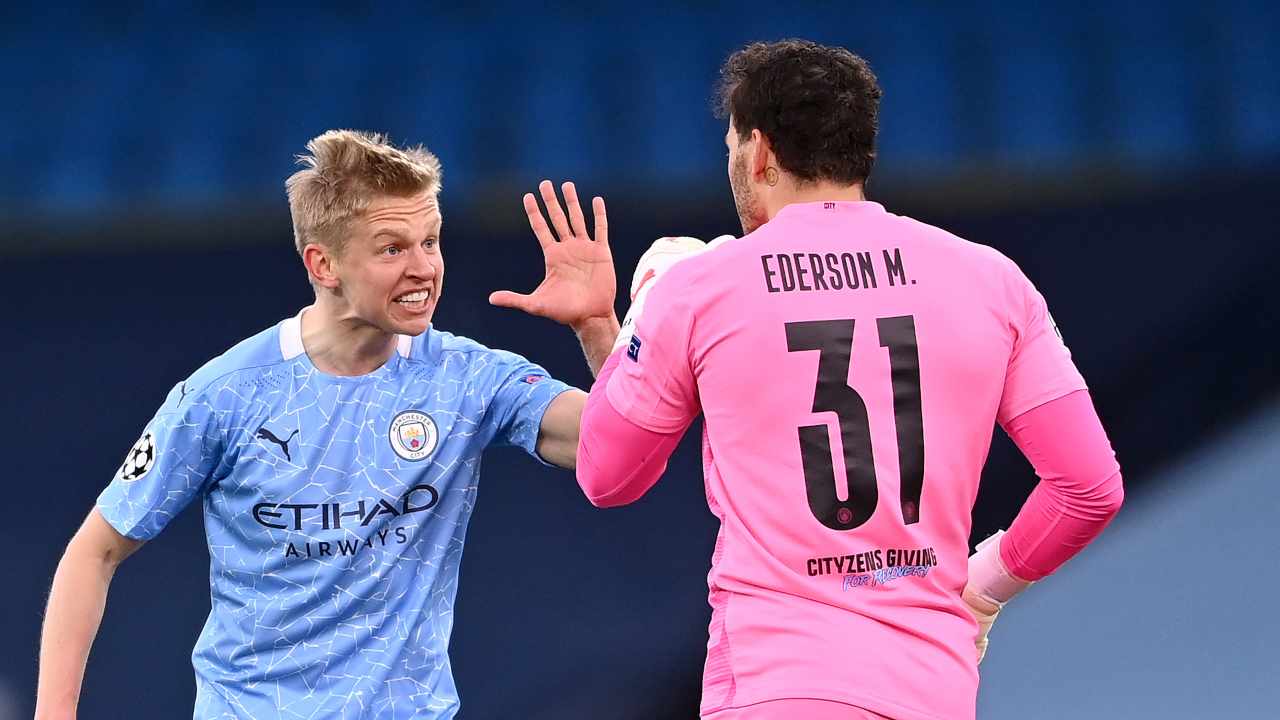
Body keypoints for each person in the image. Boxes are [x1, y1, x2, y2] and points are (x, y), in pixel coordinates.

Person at [521, 40, 1125, 719]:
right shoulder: (992, 281)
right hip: (933, 690)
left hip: (781, 686)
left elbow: (609, 472)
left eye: (730, 147)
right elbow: (1088, 488)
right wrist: (980, 590)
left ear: (760, 152)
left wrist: (618, 329)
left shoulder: (699, 289)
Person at [35, 130, 617, 719]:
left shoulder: (469, 379)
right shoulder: (223, 396)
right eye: (392, 249)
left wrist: (597, 326)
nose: (424, 269)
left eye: (432, 241)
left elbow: (615, 447)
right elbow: (95, 552)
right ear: (324, 263)